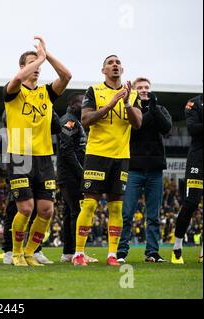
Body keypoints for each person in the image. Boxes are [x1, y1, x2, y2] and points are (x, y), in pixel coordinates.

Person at [4, 36, 71, 266]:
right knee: (25, 208)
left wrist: (47, 54)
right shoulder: (12, 91)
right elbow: (17, 79)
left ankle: (31, 252)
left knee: (46, 210)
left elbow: (66, 76)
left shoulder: (46, 93)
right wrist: (38, 58)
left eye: (39, 65)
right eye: (32, 63)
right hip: (19, 156)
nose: (38, 68)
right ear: (23, 67)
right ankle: (15, 253)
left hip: (43, 157)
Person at [73, 55, 142, 267]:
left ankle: (112, 255)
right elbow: (85, 120)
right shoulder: (93, 91)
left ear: (123, 69)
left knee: (115, 208)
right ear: (103, 70)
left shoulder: (134, 93)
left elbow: (138, 123)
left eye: (118, 63)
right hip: (97, 155)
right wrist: (111, 104)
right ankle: (78, 254)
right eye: (110, 63)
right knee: (90, 204)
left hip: (121, 157)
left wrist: (127, 103)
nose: (115, 65)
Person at [116, 77, 172, 263]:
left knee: (154, 215)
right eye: (140, 87)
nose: (144, 90)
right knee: (127, 213)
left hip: (155, 169)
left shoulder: (160, 109)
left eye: (147, 87)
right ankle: (121, 252)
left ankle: (152, 253)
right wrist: (145, 109)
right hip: (134, 169)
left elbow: (166, 128)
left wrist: (154, 107)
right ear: (134, 90)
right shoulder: (130, 109)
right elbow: (137, 128)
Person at [57, 92, 98, 264]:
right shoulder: (70, 120)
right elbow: (66, 150)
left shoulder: (77, 121)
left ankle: (68, 252)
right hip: (71, 175)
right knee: (76, 212)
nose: (86, 105)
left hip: (69, 174)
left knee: (69, 213)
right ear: (74, 104)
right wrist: (82, 173)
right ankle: (76, 252)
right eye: (83, 102)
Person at [171, 94, 202, 264]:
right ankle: (177, 246)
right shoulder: (194, 103)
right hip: (198, 159)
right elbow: (192, 128)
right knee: (191, 203)